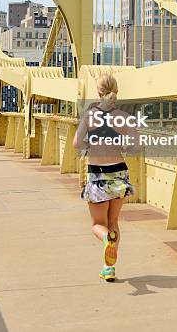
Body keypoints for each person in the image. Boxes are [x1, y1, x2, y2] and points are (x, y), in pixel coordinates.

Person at [73, 73, 140, 282]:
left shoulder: (89, 116)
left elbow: (76, 143)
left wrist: (89, 144)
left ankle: (105, 241)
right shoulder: (123, 116)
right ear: (116, 92)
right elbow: (136, 145)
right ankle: (108, 268)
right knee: (113, 222)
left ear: (98, 92)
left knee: (97, 224)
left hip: (98, 175)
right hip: (119, 172)